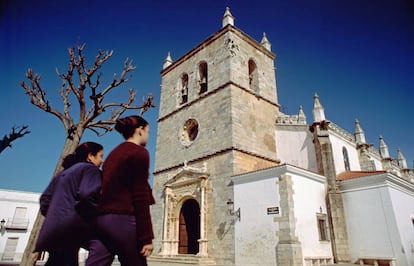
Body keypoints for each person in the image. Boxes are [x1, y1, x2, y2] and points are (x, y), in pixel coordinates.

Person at [86, 115, 155, 266]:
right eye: (148, 131)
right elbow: (140, 194)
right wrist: (146, 237)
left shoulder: (112, 154)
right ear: (140, 130)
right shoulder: (139, 152)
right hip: (123, 220)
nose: (149, 136)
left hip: (102, 220)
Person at [35, 142, 104, 266]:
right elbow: (87, 194)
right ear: (90, 156)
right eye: (100, 156)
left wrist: (56, 215)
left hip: (53, 228)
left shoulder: (63, 174)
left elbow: (45, 200)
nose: (102, 160)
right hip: (71, 229)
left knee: (56, 261)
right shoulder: (90, 169)